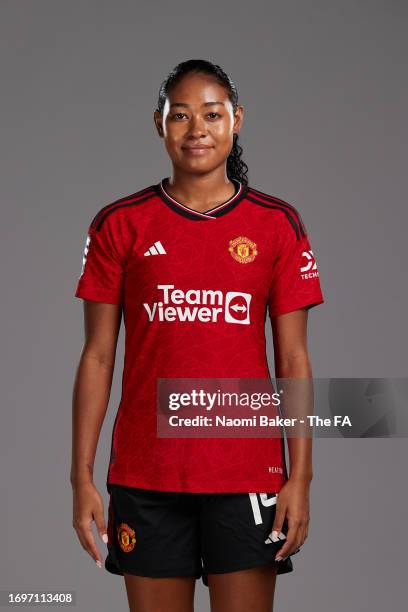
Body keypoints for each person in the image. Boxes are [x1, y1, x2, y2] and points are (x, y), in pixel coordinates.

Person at [71, 59, 325, 612]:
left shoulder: (275, 224)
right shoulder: (121, 223)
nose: (196, 130)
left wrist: (300, 478)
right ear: (158, 124)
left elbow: (294, 358)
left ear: (237, 120)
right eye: (180, 115)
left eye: (211, 114)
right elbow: (97, 357)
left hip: (246, 476)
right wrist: (81, 478)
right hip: (147, 475)